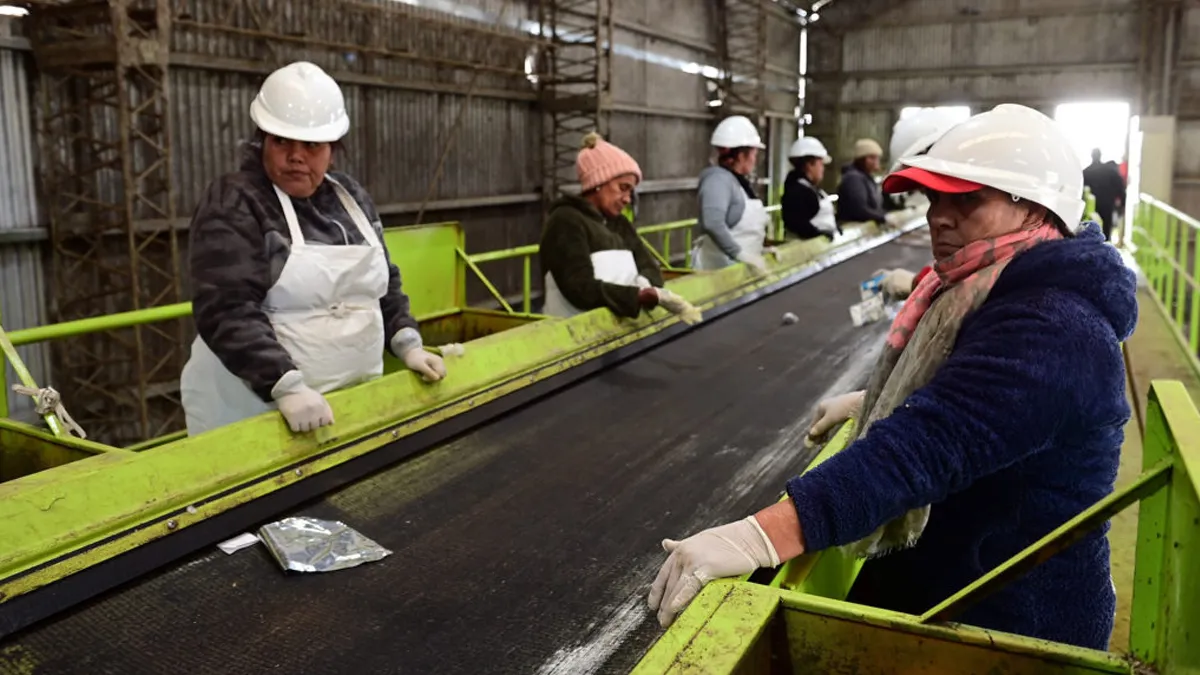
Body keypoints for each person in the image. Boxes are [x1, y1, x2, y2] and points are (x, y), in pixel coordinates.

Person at [648, 104, 1137, 652]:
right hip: (959, 572)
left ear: (1038, 207)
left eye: (968, 199)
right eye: (934, 198)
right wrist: (872, 402)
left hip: (1011, 618)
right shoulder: (992, 287)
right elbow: (986, 404)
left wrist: (762, 533)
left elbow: (929, 445)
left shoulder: (1055, 324)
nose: (939, 216)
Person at [181, 61, 446, 436]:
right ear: (263, 141)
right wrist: (285, 386)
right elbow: (226, 307)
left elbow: (382, 284)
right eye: (281, 141)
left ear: (332, 150)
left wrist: (407, 342)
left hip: (347, 409)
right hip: (256, 414)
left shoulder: (351, 198)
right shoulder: (236, 202)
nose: (296, 156)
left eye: (312, 145)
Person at [539, 133, 700, 324]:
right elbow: (580, 288)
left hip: (614, 332)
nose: (627, 199)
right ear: (598, 183)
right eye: (622, 188)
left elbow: (649, 267)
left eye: (630, 191)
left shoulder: (619, 224)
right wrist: (636, 297)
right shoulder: (565, 221)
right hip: (572, 337)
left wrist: (646, 286)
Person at [691, 116, 770, 274]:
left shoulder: (738, 182)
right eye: (753, 154)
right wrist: (740, 254)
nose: (755, 160)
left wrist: (760, 250)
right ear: (741, 156)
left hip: (740, 272)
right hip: (719, 273)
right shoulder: (718, 180)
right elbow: (712, 222)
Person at [780, 136, 838, 241]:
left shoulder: (811, 189)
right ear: (810, 165)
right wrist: (817, 234)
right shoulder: (797, 192)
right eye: (821, 164)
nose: (823, 169)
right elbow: (796, 222)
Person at [836, 138, 888, 227]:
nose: (877, 161)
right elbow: (859, 210)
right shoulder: (853, 179)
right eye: (873, 158)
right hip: (853, 229)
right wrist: (883, 217)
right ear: (864, 160)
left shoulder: (867, 178)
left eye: (877, 158)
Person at [1083, 148, 1127, 242]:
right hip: (1107, 205)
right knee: (1106, 231)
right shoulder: (1110, 171)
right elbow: (1120, 187)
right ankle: (1106, 249)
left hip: (1091, 208)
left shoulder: (1086, 172)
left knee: (1090, 230)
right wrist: (1122, 204)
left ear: (1092, 156)